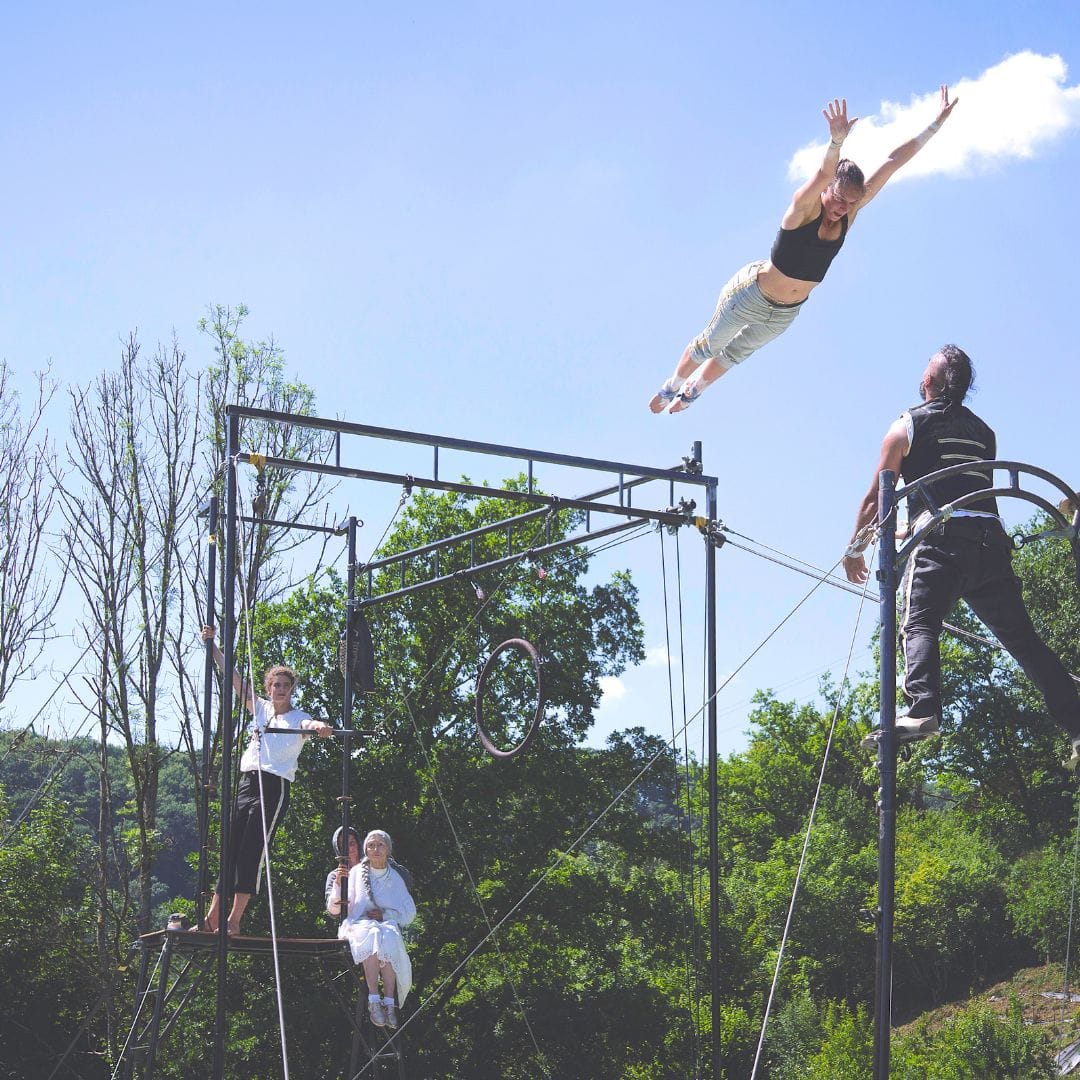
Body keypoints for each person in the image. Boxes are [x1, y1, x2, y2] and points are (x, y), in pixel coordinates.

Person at [650, 87, 957, 414]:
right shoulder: (803, 208)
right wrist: (837, 142)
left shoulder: (849, 212)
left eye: (851, 202)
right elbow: (826, 171)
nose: (843, 207)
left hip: (786, 312)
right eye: (839, 198)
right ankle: (671, 384)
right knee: (709, 345)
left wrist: (936, 124)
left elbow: (894, 162)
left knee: (735, 355)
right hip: (752, 294)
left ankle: (693, 390)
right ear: (827, 190)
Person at [843, 346, 1080, 760]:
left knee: (918, 623)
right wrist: (904, 529)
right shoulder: (985, 432)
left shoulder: (908, 424)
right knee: (1023, 641)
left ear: (929, 382)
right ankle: (1077, 722)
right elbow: (964, 495)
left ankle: (923, 708)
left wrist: (854, 548)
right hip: (989, 543)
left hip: (941, 542)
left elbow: (875, 497)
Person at [200, 625, 333, 934]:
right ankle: (212, 918)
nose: (281, 690)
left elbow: (312, 724)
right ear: (269, 688)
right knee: (230, 850)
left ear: (292, 689)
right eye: (276, 685)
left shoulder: (297, 717)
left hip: (273, 787)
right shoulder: (259, 709)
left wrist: (321, 727)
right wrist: (213, 647)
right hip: (248, 783)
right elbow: (233, 678)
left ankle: (234, 921)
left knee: (250, 852)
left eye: (286, 685)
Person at [336, 830, 417, 1029]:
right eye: (371, 845)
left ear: (388, 849)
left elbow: (409, 912)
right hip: (359, 925)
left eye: (380, 845)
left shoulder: (395, 877)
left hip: (385, 925)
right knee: (371, 935)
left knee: (389, 936)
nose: (375, 849)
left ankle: (389, 1002)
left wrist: (386, 915)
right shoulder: (356, 873)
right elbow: (344, 904)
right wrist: (338, 885)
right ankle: (374, 999)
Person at [325, 826, 415, 916]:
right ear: (338, 849)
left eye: (352, 843)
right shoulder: (334, 876)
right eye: (343, 845)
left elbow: (407, 881)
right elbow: (334, 911)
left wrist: (384, 862)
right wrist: (338, 885)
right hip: (355, 926)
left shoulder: (374, 860)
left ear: (358, 844)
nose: (349, 848)